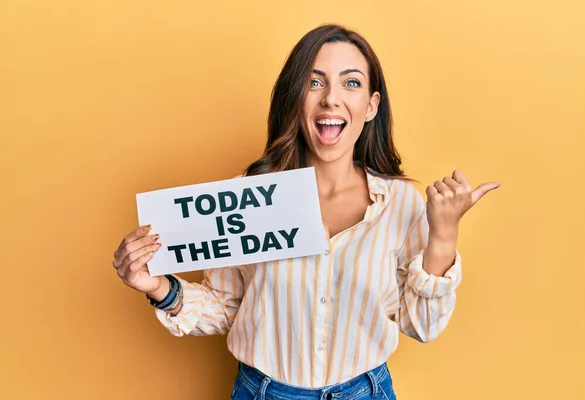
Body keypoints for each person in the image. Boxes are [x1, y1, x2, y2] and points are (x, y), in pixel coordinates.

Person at [112, 24, 500, 400]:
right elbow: (228, 306)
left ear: (370, 106)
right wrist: (160, 289)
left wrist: (444, 235)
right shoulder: (249, 197)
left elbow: (423, 325)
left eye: (351, 82)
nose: (331, 98)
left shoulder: (401, 204)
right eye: (315, 82)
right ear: (295, 99)